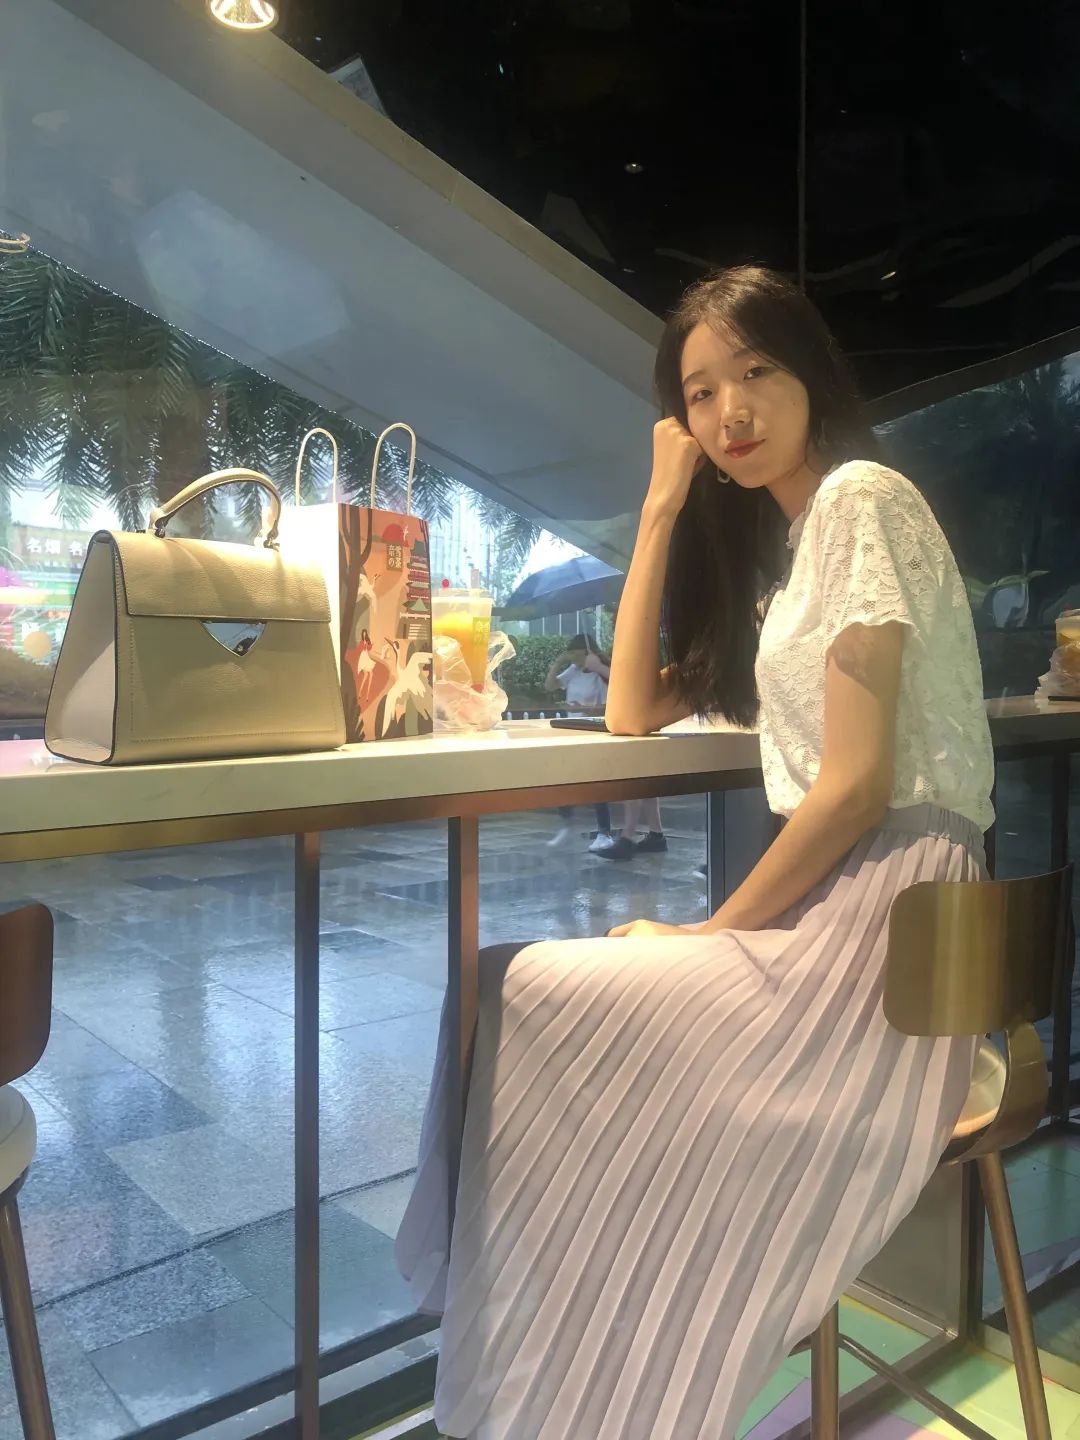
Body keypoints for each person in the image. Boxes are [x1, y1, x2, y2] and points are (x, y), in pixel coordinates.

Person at [396, 265, 994, 1440]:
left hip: (894, 946)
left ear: (811, 370)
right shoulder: (791, 568)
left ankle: (555, 1385)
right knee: (511, 993)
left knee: (517, 991)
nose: (732, 410)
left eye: (756, 370)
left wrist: (712, 931)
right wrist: (662, 505)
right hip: (875, 931)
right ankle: (556, 1377)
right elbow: (627, 710)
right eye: (702, 392)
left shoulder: (860, 500)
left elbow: (857, 789)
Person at [544, 635, 616, 854]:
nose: (573, 659)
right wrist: (557, 663)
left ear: (587, 653)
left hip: (592, 732)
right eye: (571, 655)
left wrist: (580, 709)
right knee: (563, 778)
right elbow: (550, 686)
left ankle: (604, 832)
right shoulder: (574, 671)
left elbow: (608, 706)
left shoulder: (599, 674)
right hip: (571, 731)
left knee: (595, 782)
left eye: (576, 655)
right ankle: (567, 825)